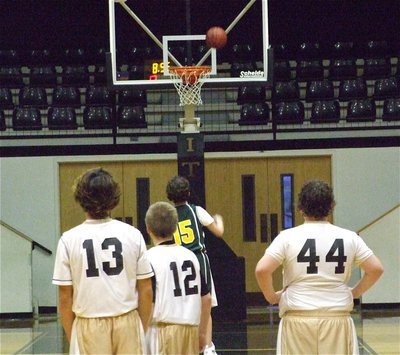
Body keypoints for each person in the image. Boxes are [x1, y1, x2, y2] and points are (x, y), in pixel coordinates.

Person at [255, 180, 384, 355]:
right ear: (331, 207)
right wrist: (354, 293)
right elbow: (375, 269)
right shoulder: (349, 237)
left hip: (297, 318)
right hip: (337, 319)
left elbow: (262, 270)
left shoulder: (287, 237)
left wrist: (272, 297)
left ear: (300, 208)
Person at [52, 168, 154, 354]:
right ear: (113, 198)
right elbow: (146, 290)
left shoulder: (68, 240)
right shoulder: (133, 235)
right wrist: (141, 329)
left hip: (88, 324)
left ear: (81, 198)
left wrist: (72, 336)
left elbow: (65, 298)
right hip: (127, 321)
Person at [166, 175, 224, 355]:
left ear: (169, 196)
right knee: (205, 305)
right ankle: (208, 347)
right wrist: (218, 219)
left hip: (176, 262)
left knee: (181, 304)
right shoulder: (196, 210)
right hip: (198, 260)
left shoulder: (168, 215)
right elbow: (219, 232)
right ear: (189, 193)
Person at [145, 201, 212, 354]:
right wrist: (202, 334)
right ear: (176, 228)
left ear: (148, 229)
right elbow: (206, 298)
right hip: (191, 330)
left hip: (162, 331)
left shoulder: (149, 258)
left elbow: (149, 300)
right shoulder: (191, 256)